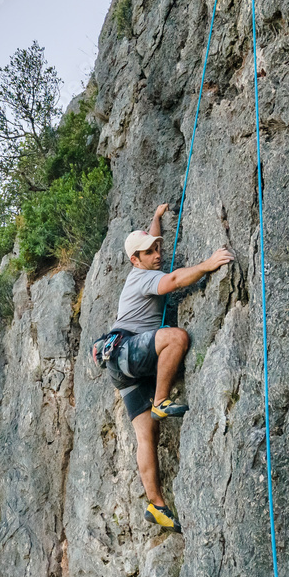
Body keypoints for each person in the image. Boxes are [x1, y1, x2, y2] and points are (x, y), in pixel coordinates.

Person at [101, 203, 234, 531]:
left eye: (157, 248)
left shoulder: (143, 261)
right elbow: (173, 280)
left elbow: (150, 244)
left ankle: (155, 504)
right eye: (150, 252)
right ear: (136, 260)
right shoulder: (143, 277)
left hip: (119, 362)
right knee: (176, 338)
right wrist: (208, 265)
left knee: (146, 434)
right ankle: (161, 401)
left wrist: (157, 218)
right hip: (127, 350)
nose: (157, 253)